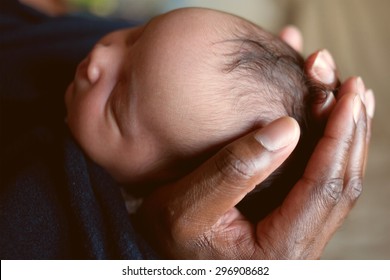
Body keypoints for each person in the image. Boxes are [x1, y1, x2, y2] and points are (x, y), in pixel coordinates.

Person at [0, 0, 374, 259]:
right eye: (137, 35)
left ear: (154, 188)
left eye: (116, 101)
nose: (98, 57)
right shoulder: (147, 77)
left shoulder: (53, 209)